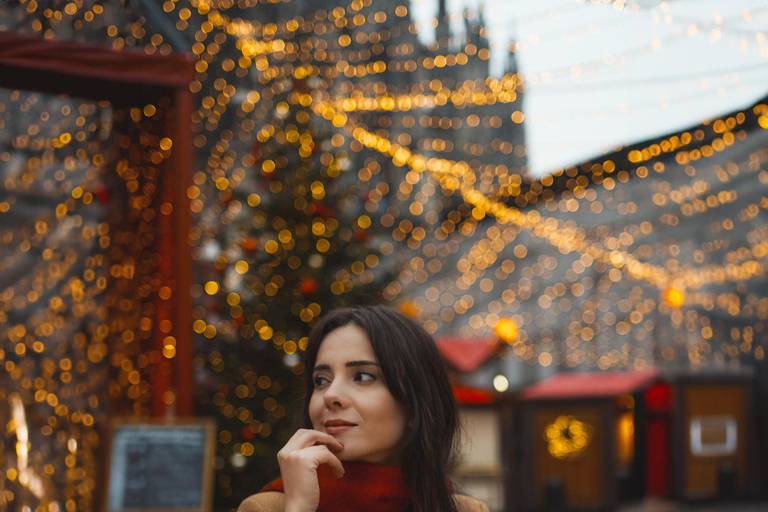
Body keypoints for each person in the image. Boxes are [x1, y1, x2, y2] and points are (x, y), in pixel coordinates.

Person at [238, 305, 489, 512]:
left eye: (363, 376)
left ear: (414, 405)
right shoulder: (266, 508)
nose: (331, 395)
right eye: (321, 380)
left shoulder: (465, 510)